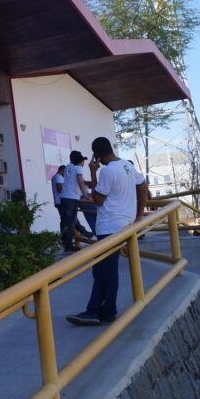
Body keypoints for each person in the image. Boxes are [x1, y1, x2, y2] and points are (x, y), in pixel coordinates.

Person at [67, 137, 149, 326]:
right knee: (106, 271)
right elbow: (143, 186)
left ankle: (99, 311)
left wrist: (93, 173)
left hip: (109, 226)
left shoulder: (107, 171)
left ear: (96, 155)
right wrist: (138, 215)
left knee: (103, 271)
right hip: (125, 224)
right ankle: (102, 310)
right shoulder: (126, 166)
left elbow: (97, 200)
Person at [59, 151, 90, 253]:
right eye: (83, 160)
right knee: (71, 223)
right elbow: (80, 181)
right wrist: (85, 195)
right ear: (80, 160)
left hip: (64, 198)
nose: (83, 163)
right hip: (72, 199)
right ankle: (69, 246)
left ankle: (70, 241)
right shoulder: (78, 168)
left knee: (68, 222)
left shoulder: (68, 167)